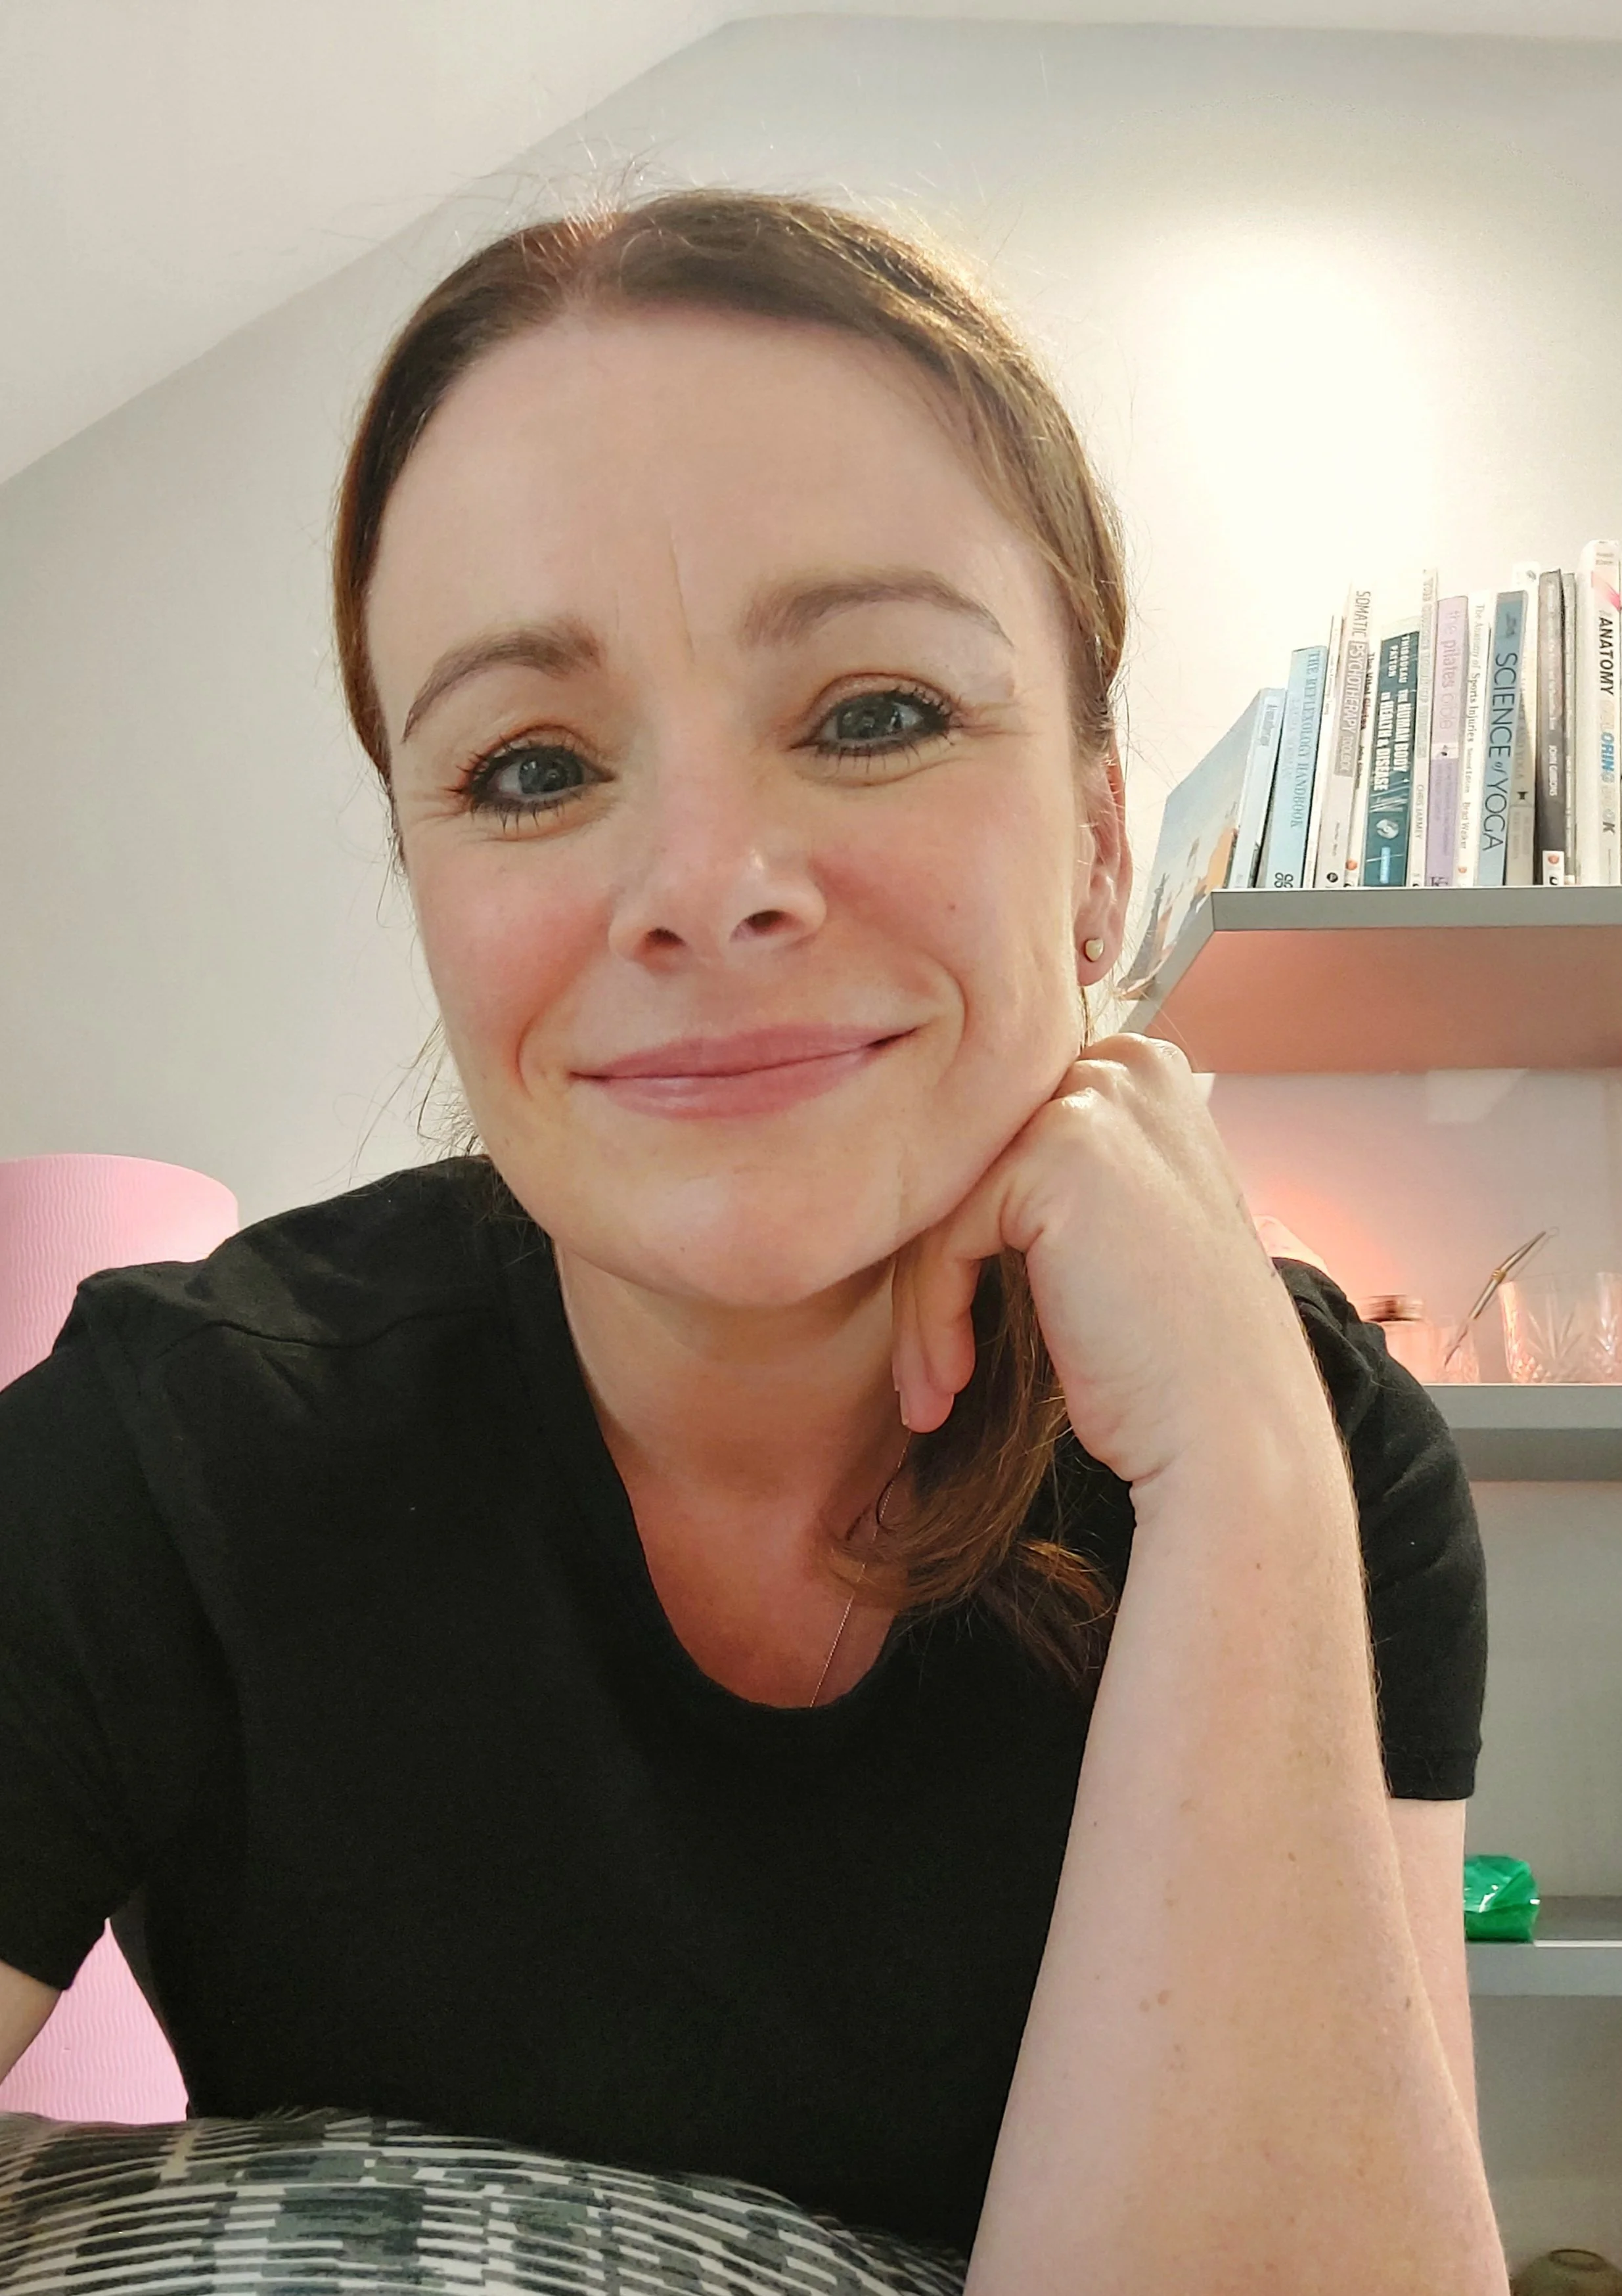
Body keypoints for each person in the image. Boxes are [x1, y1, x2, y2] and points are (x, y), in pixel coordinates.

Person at [0, 187, 1507, 2291]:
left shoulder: (1315, 1449)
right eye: (530, 766)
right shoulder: (159, 1446)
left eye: (875, 711)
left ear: (1092, 842)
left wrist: (1250, 1474)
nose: (705, 882)